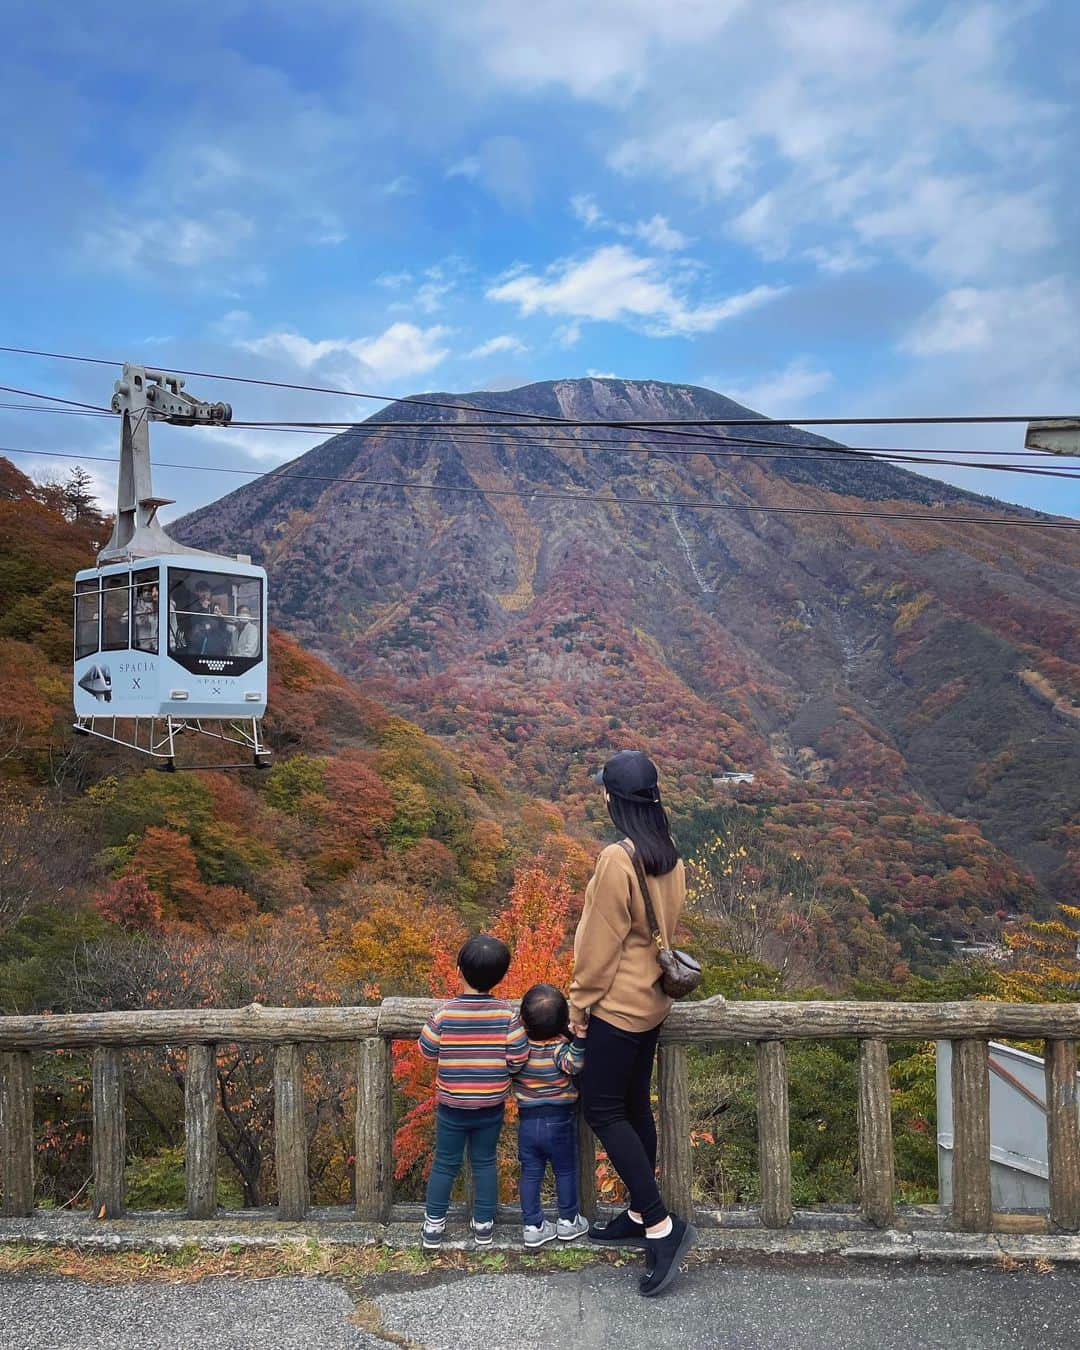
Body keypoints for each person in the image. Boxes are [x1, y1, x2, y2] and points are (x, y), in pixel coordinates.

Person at [570, 749, 696, 1297]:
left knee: (601, 1109)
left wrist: (578, 1007)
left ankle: (661, 1225)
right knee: (633, 1107)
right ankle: (641, 1218)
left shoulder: (617, 860)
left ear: (613, 800)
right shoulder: (669, 855)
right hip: (653, 1004)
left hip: (617, 1008)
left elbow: (597, 947)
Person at [418, 934, 529, 1249]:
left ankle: (433, 1226)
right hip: (490, 1105)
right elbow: (518, 1057)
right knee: (484, 1162)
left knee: (444, 1162)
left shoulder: (444, 1013)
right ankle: (483, 1226)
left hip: (452, 1105)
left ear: (458, 971)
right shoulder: (507, 1015)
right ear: (500, 977)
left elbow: (426, 1049)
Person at [513, 983, 589, 1248]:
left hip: (528, 1122)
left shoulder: (519, 1051)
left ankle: (532, 1225)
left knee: (531, 1173)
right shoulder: (559, 1049)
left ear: (523, 1019)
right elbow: (575, 1065)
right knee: (565, 1170)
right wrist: (579, 1038)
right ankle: (568, 1220)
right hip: (560, 1120)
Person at [182, 580, 229, 657]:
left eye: (207, 591)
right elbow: (192, 621)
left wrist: (221, 618)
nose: (205, 594)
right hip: (196, 643)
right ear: (197, 592)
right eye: (202, 591)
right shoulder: (192, 605)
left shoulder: (214, 606)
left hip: (212, 645)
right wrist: (203, 609)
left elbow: (222, 627)